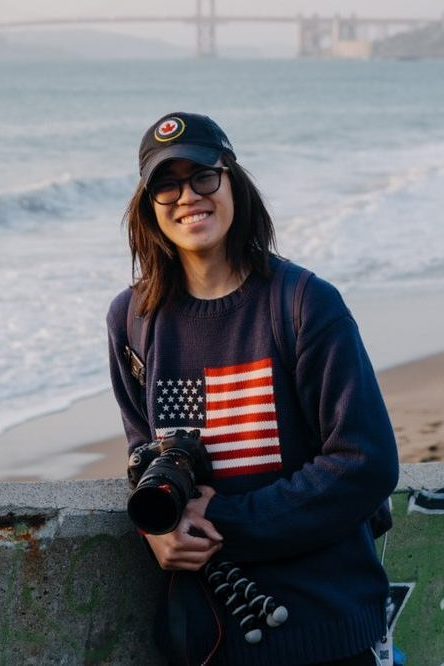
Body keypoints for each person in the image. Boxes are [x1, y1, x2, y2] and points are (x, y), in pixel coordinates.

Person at [107, 111, 399, 666]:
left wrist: (228, 519)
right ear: (148, 206)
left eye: (203, 177)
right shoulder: (133, 319)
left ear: (232, 181)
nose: (188, 197)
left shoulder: (304, 303)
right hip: (204, 636)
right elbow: (144, 452)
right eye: (167, 185)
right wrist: (158, 531)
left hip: (320, 628)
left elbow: (365, 462)